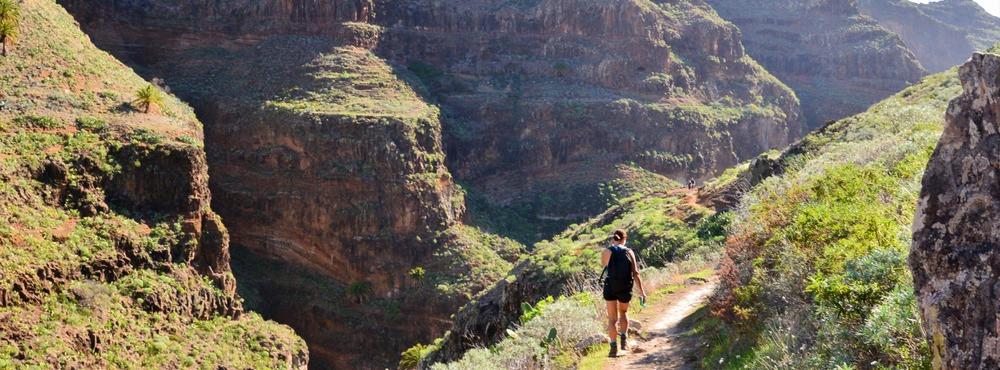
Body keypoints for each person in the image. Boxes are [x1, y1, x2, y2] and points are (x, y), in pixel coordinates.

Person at [601, 229, 646, 357]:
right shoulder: (629, 251)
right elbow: (636, 273)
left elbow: (604, 267)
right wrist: (642, 292)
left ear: (613, 239)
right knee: (623, 313)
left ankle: (613, 346)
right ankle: (624, 341)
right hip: (625, 287)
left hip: (610, 287)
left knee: (612, 319)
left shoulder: (606, 252)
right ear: (624, 239)